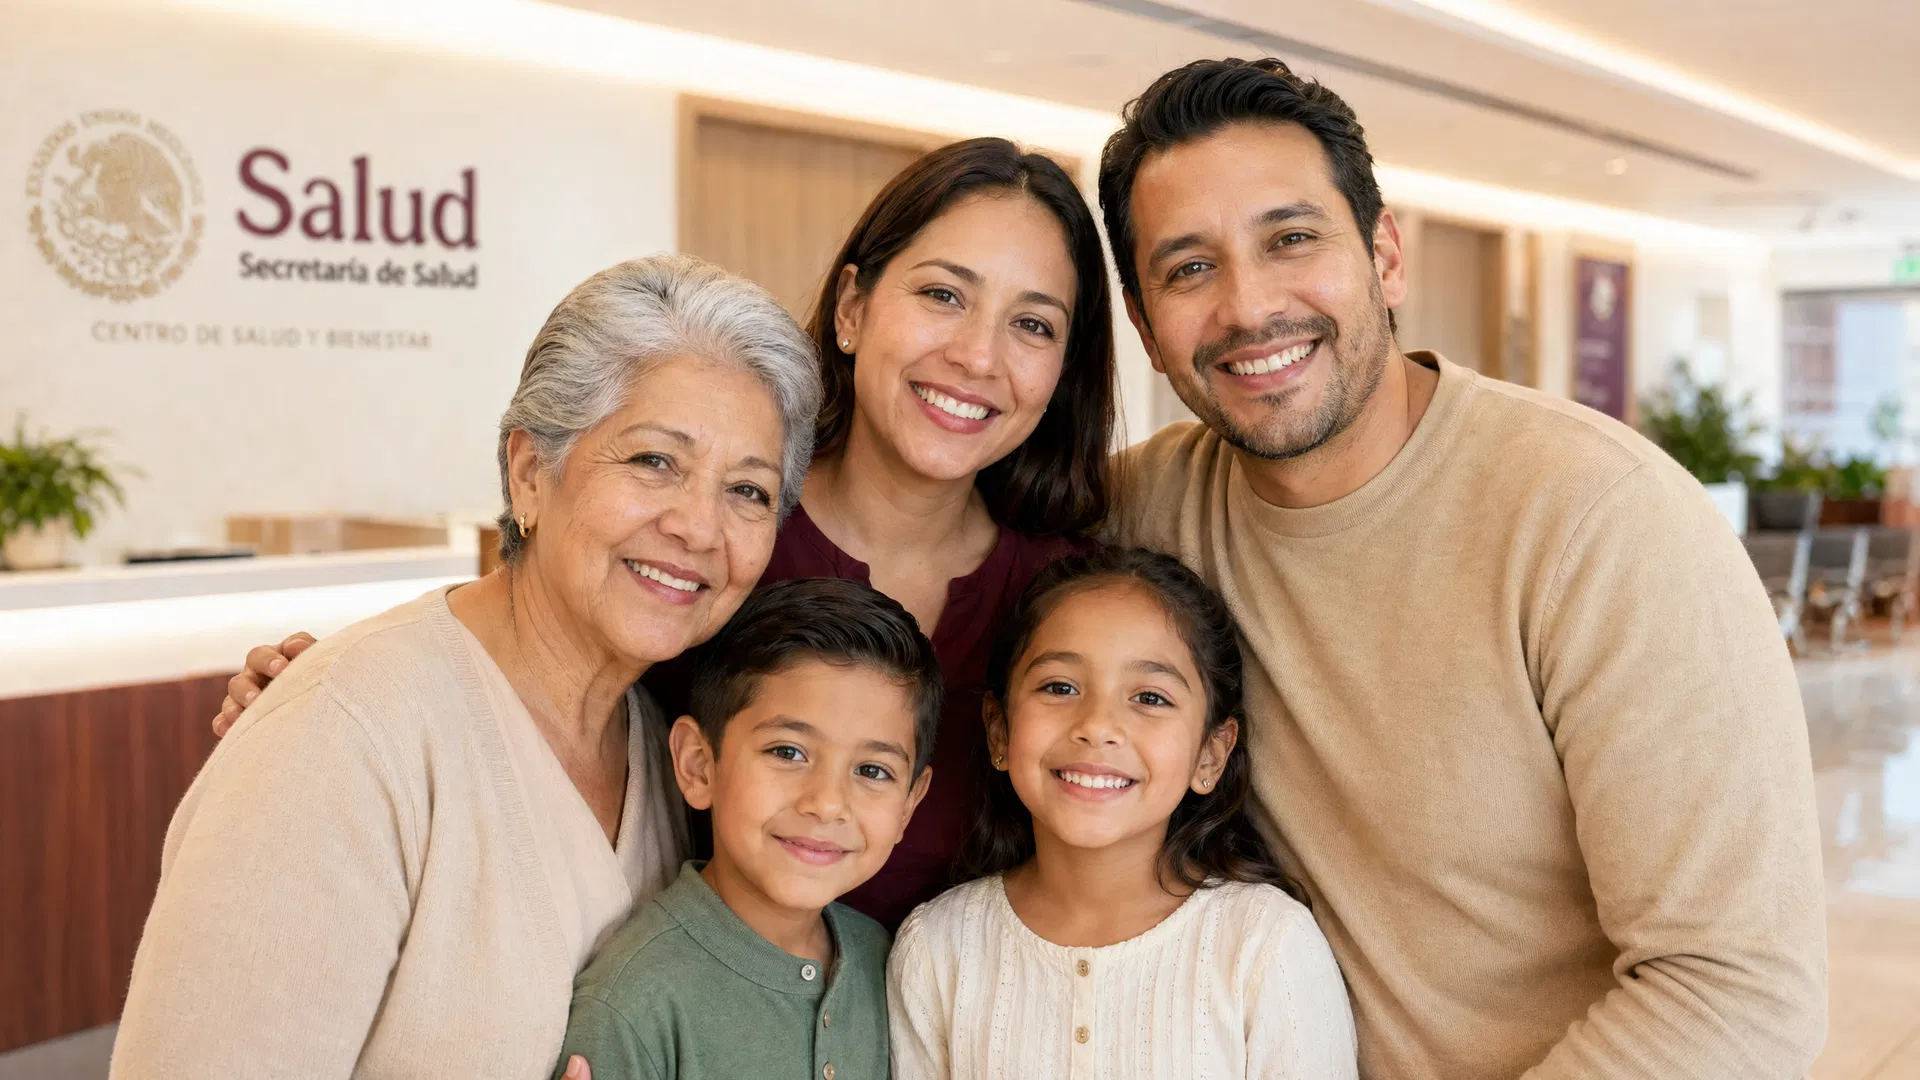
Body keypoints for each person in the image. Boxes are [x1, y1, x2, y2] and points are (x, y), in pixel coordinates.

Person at [1096, 58, 1826, 1077]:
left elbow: (1739, 995)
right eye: (1188, 268)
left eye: (1291, 239)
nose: (1249, 306)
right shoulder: (1141, 516)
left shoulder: (1599, 523)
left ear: (1386, 256)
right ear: (1145, 328)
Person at [215, 136, 1118, 930]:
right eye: (942, 295)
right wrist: (329, 706)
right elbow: (522, 667)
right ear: (852, 308)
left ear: (1063, 368)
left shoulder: (1072, 604)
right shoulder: (707, 554)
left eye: (1032, 324)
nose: (977, 355)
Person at [112, 254, 823, 1078]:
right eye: (654, 462)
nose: (700, 528)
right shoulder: (338, 738)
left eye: (749, 492)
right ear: (529, 471)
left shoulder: (672, 751)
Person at [888, 547, 1357, 1078]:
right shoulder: (937, 949)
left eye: (1151, 698)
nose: (1098, 725)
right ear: (999, 730)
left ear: (1211, 754)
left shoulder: (1265, 945)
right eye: (1060, 687)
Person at [556, 577, 939, 1080]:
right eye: (788, 752)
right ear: (699, 765)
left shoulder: (886, 960)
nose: (826, 804)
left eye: (872, 771)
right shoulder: (635, 1002)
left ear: (909, 806)